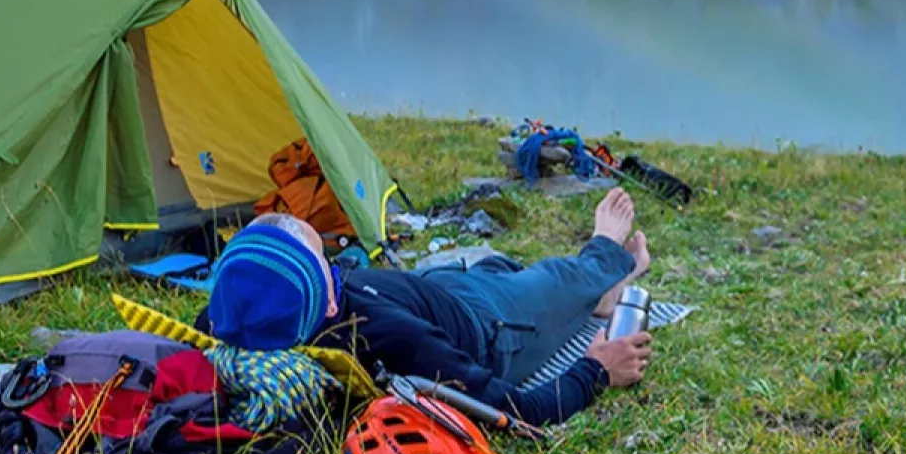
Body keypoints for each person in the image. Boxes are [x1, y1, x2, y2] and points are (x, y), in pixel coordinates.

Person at [199, 188, 655, 428]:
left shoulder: (225, 321)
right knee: (552, 281)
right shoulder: (388, 338)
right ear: (327, 298)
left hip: (429, 289)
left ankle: (598, 297)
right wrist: (597, 370)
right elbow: (518, 411)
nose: (338, 268)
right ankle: (605, 257)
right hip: (491, 325)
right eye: (328, 266)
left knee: (498, 266)